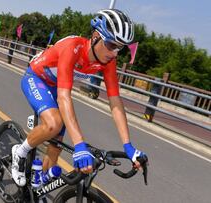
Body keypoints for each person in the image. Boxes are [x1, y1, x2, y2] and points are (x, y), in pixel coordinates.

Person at [11, 9, 148, 186]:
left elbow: (115, 101)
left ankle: (38, 182)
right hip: (36, 78)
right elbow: (64, 96)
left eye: (120, 48)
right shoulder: (73, 47)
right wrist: (79, 145)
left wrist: (128, 146)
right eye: (112, 45)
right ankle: (20, 152)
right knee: (54, 124)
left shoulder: (108, 61)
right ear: (96, 36)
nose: (115, 53)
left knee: (56, 147)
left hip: (55, 86)